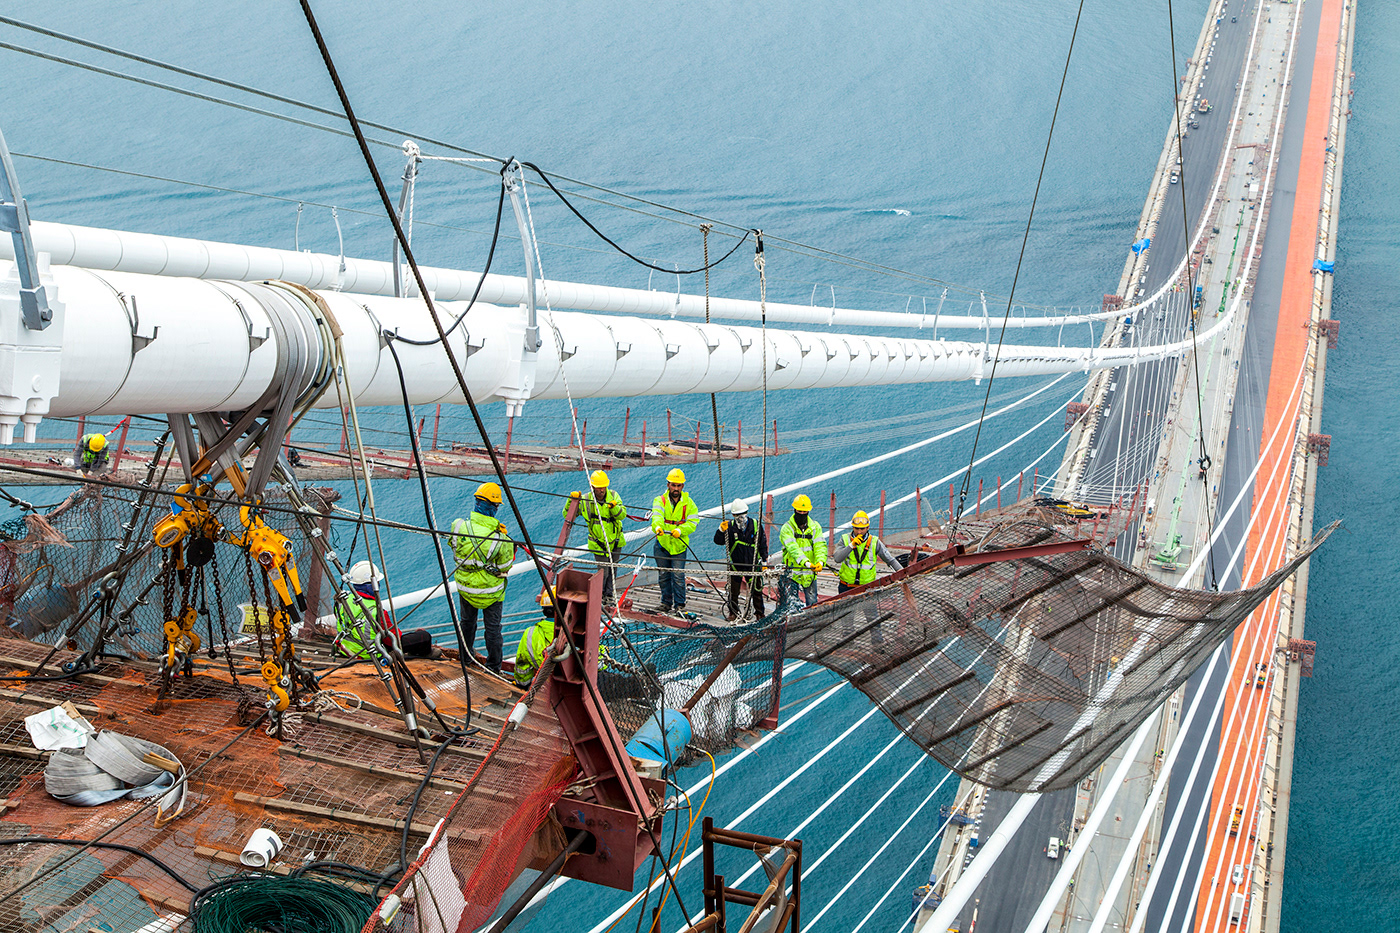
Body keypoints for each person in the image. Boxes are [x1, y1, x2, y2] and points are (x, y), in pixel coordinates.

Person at [450, 482, 515, 672]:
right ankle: (493, 667)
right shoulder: (500, 538)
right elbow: (504, 566)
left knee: (467, 623)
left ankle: (465, 658)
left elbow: (454, 549)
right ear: (493, 507)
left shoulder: (458, 526)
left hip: (465, 587)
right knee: (493, 628)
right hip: (490, 592)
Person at [334, 560, 438, 659]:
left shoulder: (344, 599)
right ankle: (423, 655)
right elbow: (392, 640)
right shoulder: (376, 611)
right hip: (369, 653)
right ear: (371, 585)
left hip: (346, 649)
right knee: (424, 637)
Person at [567, 470, 626, 605]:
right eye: (599, 487)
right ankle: (600, 596)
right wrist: (571, 502)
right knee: (603, 572)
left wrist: (614, 508)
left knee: (613, 570)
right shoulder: (586, 501)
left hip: (616, 541)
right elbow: (568, 515)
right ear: (593, 487)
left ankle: (609, 595)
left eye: (603, 487)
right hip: (598, 544)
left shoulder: (613, 496)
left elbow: (622, 515)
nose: (602, 490)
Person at [650, 468, 698, 615]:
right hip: (662, 544)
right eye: (673, 485)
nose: (676, 488)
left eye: (678, 485)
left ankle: (679, 605)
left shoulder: (689, 503)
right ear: (668, 485)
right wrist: (657, 527)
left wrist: (681, 530)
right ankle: (666, 603)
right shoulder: (660, 500)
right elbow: (657, 516)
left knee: (678, 577)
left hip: (679, 546)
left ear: (682, 486)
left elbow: (693, 522)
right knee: (664, 575)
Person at [713, 498, 767, 620]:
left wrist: (764, 561)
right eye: (737, 515)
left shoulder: (755, 525)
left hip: (753, 564)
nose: (740, 517)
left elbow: (762, 543)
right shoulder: (730, 527)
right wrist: (720, 531)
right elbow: (718, 541)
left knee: (757, 590)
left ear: (746, 512)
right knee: (733, 591)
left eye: (742, 514)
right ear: (733, 515)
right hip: (736, 564)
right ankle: (733, 613)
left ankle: (760, 613)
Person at [773, 494, 826, 608]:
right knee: (790, 604)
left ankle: (812, 620)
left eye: (804, 511)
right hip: (792, 572)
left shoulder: (815, 527)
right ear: (794, 510)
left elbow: (820, 545)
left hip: (809, 573)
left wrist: (820, 561)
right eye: (799, 511)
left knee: (812, 603)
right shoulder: (787, 528)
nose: (802, 514)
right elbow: (793, 548)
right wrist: (806, 562)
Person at [514, 588, 557, 687]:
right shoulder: (574, 632)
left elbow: (522, 662)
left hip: (544, 682)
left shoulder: (530, 633)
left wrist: (523, 685)